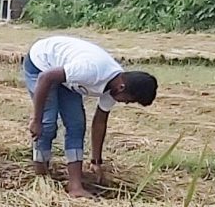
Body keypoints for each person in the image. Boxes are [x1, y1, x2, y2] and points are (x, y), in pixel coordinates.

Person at [21, 34, 158, 197]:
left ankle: (75, 187)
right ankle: (41, 178)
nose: (126, 103)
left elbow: (100, 123)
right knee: (48, 123)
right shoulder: (91, 70)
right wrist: (36, 120)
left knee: (77, 125)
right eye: (129, 100)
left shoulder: (114, 87)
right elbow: (46, 77)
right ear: (122, 87)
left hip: (66, 75)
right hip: (41, 64)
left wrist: (96, 161)